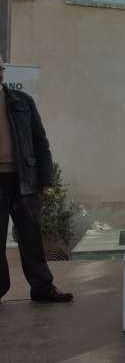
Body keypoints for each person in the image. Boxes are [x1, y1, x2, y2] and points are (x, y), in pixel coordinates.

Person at [0, 56, 73, 302]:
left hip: (24, 179)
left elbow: (40, 142)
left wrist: (46, 179)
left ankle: (42, 287)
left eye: (0, 68)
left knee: (31, 236)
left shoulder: (22, 101)